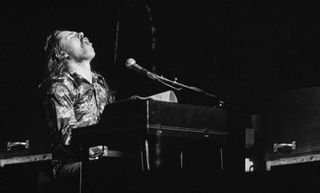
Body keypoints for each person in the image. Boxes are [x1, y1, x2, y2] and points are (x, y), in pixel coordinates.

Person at [40, 29, 115, 193]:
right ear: (63, 54)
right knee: (109, 170)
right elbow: (68, 138)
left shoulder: (100, 83)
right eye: (72, 36)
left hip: (103, 157)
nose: (81, 33)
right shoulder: (60, 86)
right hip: (72, 165)